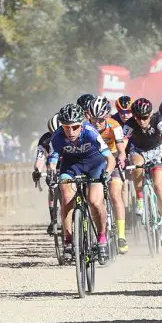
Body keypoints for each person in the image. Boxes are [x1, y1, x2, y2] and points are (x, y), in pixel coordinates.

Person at [47, 104, 115, 263]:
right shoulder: (57, 137)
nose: (70, 132)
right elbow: (52, 160)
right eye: (66, 128)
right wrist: (51, 172)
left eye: (75, 127)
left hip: (95, 164)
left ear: (81, 124)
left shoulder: (91, 132)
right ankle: (69, 240)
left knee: (94, 201)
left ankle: (102, 238)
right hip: (71, 166)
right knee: (66, 198)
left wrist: (107, 174)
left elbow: (110, 159)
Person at [122, 98, 162, 245]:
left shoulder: (159, 120)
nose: (141, 121)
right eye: (138, 117)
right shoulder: (130, 123)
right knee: (137, 165)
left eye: (145, 117)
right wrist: (121, 155)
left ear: (150, 114)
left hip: (157, 151)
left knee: (158, 186)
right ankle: (139, 197)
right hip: (138, 151)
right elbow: (123, 142)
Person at [87, 95, 129, 253]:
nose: (97, 123)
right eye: (94, 119)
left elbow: (121, 150)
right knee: (93, 199)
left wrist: (122, 160)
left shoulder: (115, 126)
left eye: (100, 120)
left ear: (107, 116)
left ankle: (122, 235)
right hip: (95, 161)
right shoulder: (87, 127)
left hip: (113, 158)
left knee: (115, 195)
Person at [32, 114, 61, 236]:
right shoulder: (45, 140)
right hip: (53, 165)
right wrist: (37, 170)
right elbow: (40, 158)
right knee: (53, 189)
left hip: (69, 164)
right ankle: (53, 219)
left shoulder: (72, 136)